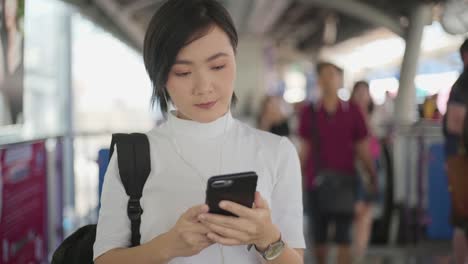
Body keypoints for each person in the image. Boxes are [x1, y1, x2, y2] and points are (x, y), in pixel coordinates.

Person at [93, 1, 305, 263]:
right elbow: (103, 259)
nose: (203, 87)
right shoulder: (133, 156)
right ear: (159, 77)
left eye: (217, 66)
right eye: (183, 72)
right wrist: (167, 246)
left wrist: (267, 238)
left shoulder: (277, 151)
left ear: (235, 59)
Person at [298, 62, 378, 264]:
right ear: (318, 81)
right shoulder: (309, 112)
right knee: (319, 236)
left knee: (344, 236)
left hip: (345, 182)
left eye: (332, 75)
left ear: (340, 79)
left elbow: (362, 147)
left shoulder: (353, 111)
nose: (328, 80)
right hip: (315, 182)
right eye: (324, 76)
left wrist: (371, 174)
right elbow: (304, 149)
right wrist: (294, 179)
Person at [350, 80, 381, 262]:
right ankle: (356, 252)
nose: (362, 96)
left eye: (365, 93)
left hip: (373, 163)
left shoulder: (373, 115)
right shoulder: (350, 116)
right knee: (358, 209)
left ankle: (360, 252)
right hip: (356, 165)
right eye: (359, 92)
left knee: (367, 209)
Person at [443, 38, 468, 264]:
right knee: (462, 219)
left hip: (458, 160)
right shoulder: (462, 85)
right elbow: (454, 123)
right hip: (461, 161)